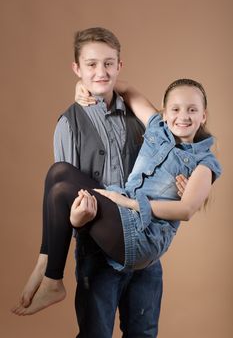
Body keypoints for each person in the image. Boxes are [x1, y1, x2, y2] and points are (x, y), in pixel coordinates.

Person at [12, 78, 221, 321]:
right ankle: (45, 264)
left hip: (142, 236)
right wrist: (84, 85)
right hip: (121, 215)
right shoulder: (155, 127)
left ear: (203, 116)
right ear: (164, 112)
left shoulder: (204, 163)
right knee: (58, 171)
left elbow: (186, 209)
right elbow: (127, 88)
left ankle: (52, 279)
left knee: (61, 190)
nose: (183, 116)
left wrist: (133, 204)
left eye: (192, 110)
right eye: (175, 109)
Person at [11, 27, 166, 338]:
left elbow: (169, 146)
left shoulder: (137, 116)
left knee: (144, 333)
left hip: (142, 242)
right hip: (98, 250)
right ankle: (49, 269)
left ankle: (48, 270)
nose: (101, 71)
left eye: (109, 63)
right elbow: (62, 200)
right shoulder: (69, 124)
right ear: (76, 69)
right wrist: (75, 220)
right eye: (92, 64)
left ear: (119, 66)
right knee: (59, 175)